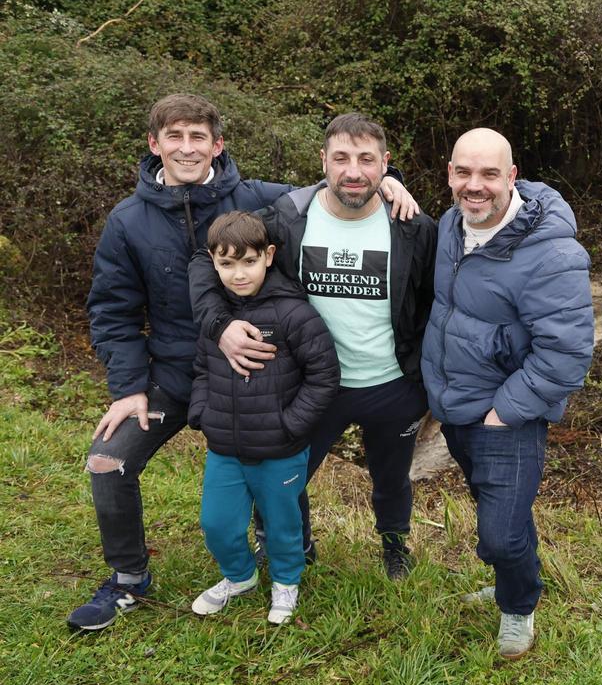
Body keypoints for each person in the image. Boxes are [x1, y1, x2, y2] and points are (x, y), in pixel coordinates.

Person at [71, 94, 417, 632]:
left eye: (198, 137)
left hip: (259, 377)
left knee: (279, 466)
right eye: (175, 137)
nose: (186, 149)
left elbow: (340, 192)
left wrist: (388, 185)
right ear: (154, 144)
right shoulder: (127, 221)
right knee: (107, 460)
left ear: (218, 145)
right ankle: (127, 579)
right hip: (172, 377)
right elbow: (113, 310)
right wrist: (128, 387)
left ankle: (290, 553)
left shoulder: (262, 199)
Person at [190, 113, 437, 581]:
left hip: (393, 385)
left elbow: (435, 303)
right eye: (341, 158)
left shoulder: (413, 227)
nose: (353, 171)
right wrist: (219, 325)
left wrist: (432, 380)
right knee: (288, 480)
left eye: (367, 160)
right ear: (323, 160)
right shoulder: (288, 219)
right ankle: (296, 548)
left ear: (386, 165)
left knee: (391, 478)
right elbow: (207, 261)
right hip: (311, 384)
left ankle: (393, 542)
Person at [421, 128, 594, 659]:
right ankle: (510, 584)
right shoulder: (451, 225)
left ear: (512, 177)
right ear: (449, 173)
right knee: (503, 513)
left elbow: (567, 353)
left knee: (499, 535)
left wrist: (505, 412)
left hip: (505, 417)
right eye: (463, 172)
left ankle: (519, 606)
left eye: (489, 174)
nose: (475, 186)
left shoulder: (552, 253)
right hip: (455, 408)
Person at [189, 212, 340, 624]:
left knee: (282, 524)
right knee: (216, 523)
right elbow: (203, 369)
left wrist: (289, 425)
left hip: (280, 449)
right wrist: (202, 413)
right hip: (225, 448)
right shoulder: (214, 318)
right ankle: (239, 577)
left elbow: (324, 377)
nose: (238, 274)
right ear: (212, 262)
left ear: (268, 256)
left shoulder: (294, 314)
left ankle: (286, 583)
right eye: (226, 264)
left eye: (248, 262)